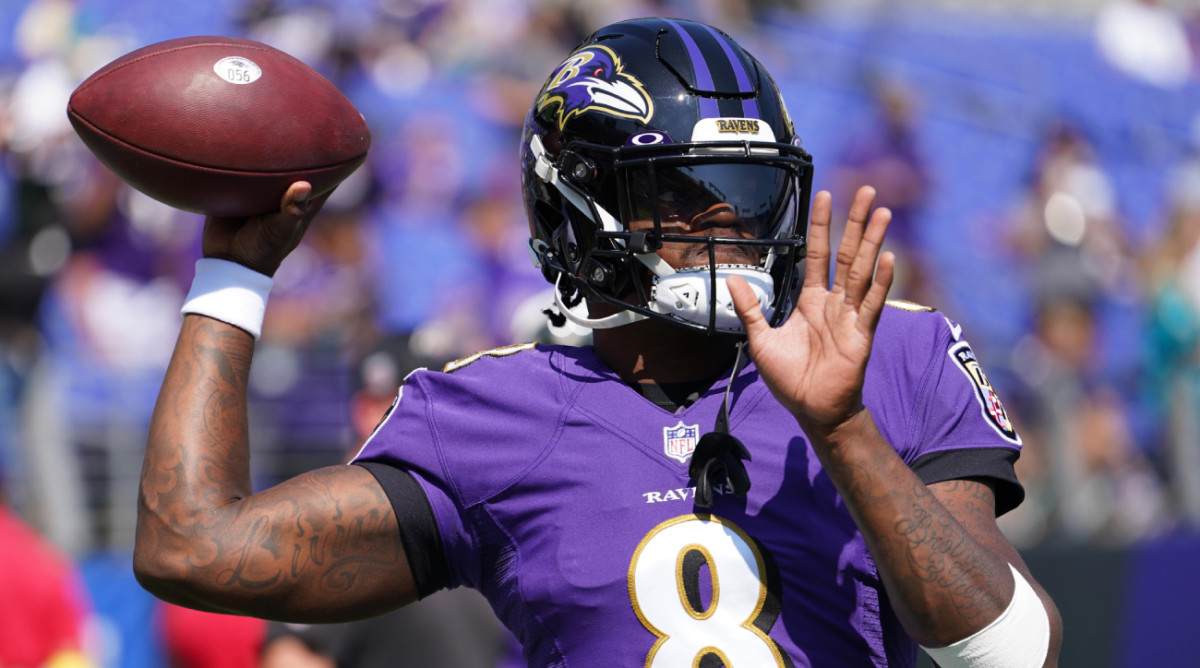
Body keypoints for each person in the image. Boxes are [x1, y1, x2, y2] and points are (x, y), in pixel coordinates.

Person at [131, 17, 1062, 667]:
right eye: (681, 193)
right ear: (575, 206)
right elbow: (194, 546)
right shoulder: (490, 416)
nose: (725, 225)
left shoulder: (889, 356)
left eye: (745, 193)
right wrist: (235, 274)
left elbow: (1015, 655)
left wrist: (846, 430)